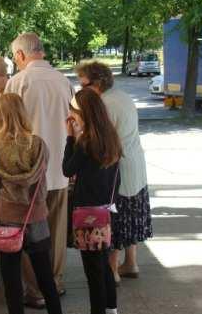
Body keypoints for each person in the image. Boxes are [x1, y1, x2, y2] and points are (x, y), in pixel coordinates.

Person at [5, 32, 74, 308]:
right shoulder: (63, 81)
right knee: (56, 231)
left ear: (21, 55)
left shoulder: (18, 82)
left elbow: (8, 129)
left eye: (14, 57)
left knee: (29, 231)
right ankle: (54, 284)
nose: (15, 61)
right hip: (60, 168)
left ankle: (35, 291)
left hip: (29, 172)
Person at [75, 60, 152, 284]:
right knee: (131, 216)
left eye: (84, 85)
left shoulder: (104, 105)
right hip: (135, 165)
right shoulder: (123, 96)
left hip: (117, 169)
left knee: (115, 219)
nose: (81, 90)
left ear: (97, 82)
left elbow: (100, 143)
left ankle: (112, 271)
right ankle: (131, 263)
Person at [0, 93, 62, 314]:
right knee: (45, 275)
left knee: (11, 279)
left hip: (8, 218)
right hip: (36, 216)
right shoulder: (38, 145)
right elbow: (42, 176)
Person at [62, 88, 121, 314]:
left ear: (82, 113)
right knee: (103, 264)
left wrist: (69, 136)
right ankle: (111, 308)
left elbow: (67, 169)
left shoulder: (85, 141)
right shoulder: (110, 137)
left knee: (93, 271)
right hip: (105, 212)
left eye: (73, 110)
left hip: (87, 215)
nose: (70, 114)